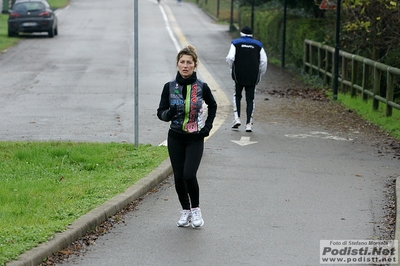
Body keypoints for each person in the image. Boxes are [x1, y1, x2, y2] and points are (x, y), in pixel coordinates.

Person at [157, 45, 217, 228]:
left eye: (189, 62)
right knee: (178, 177)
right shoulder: (169, 87)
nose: (185, 65)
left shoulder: (201, 87)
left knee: (189, 174)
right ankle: (185, 211)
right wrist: (169, 114)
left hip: (194, 137)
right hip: (175, 137)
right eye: (182, 62)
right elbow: (160, 112)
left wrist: (207, 127)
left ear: (194, 65)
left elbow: (213, 106)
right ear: (177, 64)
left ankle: (196, 210)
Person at [226, 26, 268, 132]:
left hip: (239, 74)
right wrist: (259, 73)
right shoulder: (258, 45)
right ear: (251, 35)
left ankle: (237, 118)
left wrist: (232, 68)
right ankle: (249, 123)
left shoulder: (235, 43)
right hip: (252, 75)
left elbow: (230, 58)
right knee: (250, 99)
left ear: (241, 34)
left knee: (237, 95)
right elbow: (263, 61)